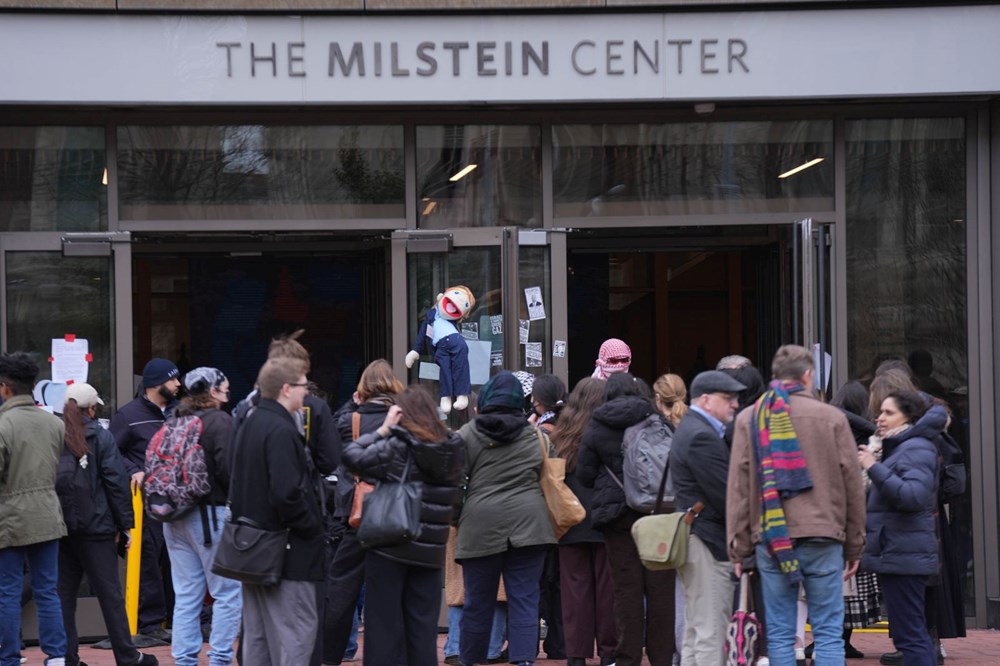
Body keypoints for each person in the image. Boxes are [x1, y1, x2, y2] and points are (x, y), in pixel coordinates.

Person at [728, 345, 867, 666]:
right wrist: (855, 544)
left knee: (779, 634)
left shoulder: (750, 417)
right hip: (825, 536)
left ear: (774, 375)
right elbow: (853, 487)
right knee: (829, 632)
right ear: (808, 375)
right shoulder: (832, 417)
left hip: (772, 538)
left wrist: (738, 546)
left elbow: (739, 489)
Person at [342, 387, 464, 666]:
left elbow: (351, 455)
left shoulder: (397, 446)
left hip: (390, 545)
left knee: (383, 626)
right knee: (422, 629)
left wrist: (384, 429)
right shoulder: (452, 449)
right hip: (429, 552)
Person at [456, 371, 556, 666]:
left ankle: (470, 660)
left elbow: (454, 483)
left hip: (480, 524)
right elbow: (546, 476)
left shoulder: (466, 435)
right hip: (530, 524)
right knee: (525, 599)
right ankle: (524, 660)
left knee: (477, 602)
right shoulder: (537, 436)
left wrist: (454, 519)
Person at [229, 357, 325, 665]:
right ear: (286, 389)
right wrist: (312, 526)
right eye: (303, 385)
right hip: (287, 552)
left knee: (257, 640)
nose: (306, 393)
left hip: (254, 550)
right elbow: (287, 494)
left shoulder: (250, 422)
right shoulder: (281, 429)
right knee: (294, 637)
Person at [56, 383, 158, 666]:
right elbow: (116, 483)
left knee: (63, 595)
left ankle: (67, 658)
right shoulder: (100, 435)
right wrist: (126, 526)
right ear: (92, 408)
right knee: (110, 595)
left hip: (63, 528)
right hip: (97, 528)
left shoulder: (53, 435)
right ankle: (127, 656)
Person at [577, 372, 674, 666]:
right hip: (658, 513)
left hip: (618, 519)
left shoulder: (598, 424)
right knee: (661, 591)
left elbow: (584, 474)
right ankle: (661, 658)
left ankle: (628, 657)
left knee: (626, 591)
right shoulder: (657, 419)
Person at [324, 359, 404, 666]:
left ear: (362, 389)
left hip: (355, 514)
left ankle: (330, 655)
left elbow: (332, 453)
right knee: (389, 589)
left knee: (341, 587)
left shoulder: (349, 421)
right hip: (395, 514)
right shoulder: (404, 419)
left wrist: (352, 404)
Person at [162, 368, 242, 666]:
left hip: (174, 516)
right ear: (213, 391)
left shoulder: (176, 419)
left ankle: (184, 660)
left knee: (186, 595)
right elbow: (229, 470)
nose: (228, 392)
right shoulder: (220, 421)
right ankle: (220, 658)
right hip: (211, 516)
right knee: (228, 593)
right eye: (225, 387)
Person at [858, 391, 942, 666]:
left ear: (909, 417)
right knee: (910, 633)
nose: (880, 418)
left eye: (888, 413)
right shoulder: (901, 446)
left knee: (910, 636)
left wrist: (873, 467)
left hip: (905, 555)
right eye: (880, 412)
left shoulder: (916, 447)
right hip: (898, 552)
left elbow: (913, 496)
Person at [670, 370, 745, 666]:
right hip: (707, 540)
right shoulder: (701, 435)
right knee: (710, 631)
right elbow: (728, 496)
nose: (735, 404)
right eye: (728, 398)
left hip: (697, 537)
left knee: (696, 628)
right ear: (705, 399)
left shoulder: (693, 429)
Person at [0, 352, 68, 666]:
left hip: (10, 518)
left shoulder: (3, 424)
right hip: (48, 515)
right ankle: (55, 656)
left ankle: (9, 657)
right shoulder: (54, 423)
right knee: (47, 590)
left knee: (8, 592)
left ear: (4, 388)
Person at [109, 357, 181, 645]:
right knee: (149, 559)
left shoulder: (180, 412)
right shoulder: (127, 415)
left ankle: (181, 619)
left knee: (179, 561)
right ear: (155, 384)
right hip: (147, 502)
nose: (178, 384)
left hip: (181, 500)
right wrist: (133, 470)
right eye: (173, 379)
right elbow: (112, 452)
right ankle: (151, 623)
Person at [551, 377, 615, 666]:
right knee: (607, 589)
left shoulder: (562, 433)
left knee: (574, 589)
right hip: (606, 516)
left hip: (570, 516)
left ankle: (575, 654)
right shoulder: (612, 431)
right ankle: (609, 653)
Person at [527, 373, 568, 659]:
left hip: (540, 514)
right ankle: (559, 643)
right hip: (561, 516)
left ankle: (527, 642)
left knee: (538, 582)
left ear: (540, 401)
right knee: (558, 583)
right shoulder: (570, 425)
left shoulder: (542, 430)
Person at [652, 373, 690, 666]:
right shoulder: (695, 426)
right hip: (692, 516)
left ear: (657, 398)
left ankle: (678, 653)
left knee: (669, 592)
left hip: (663, 516)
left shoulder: (653, 429)